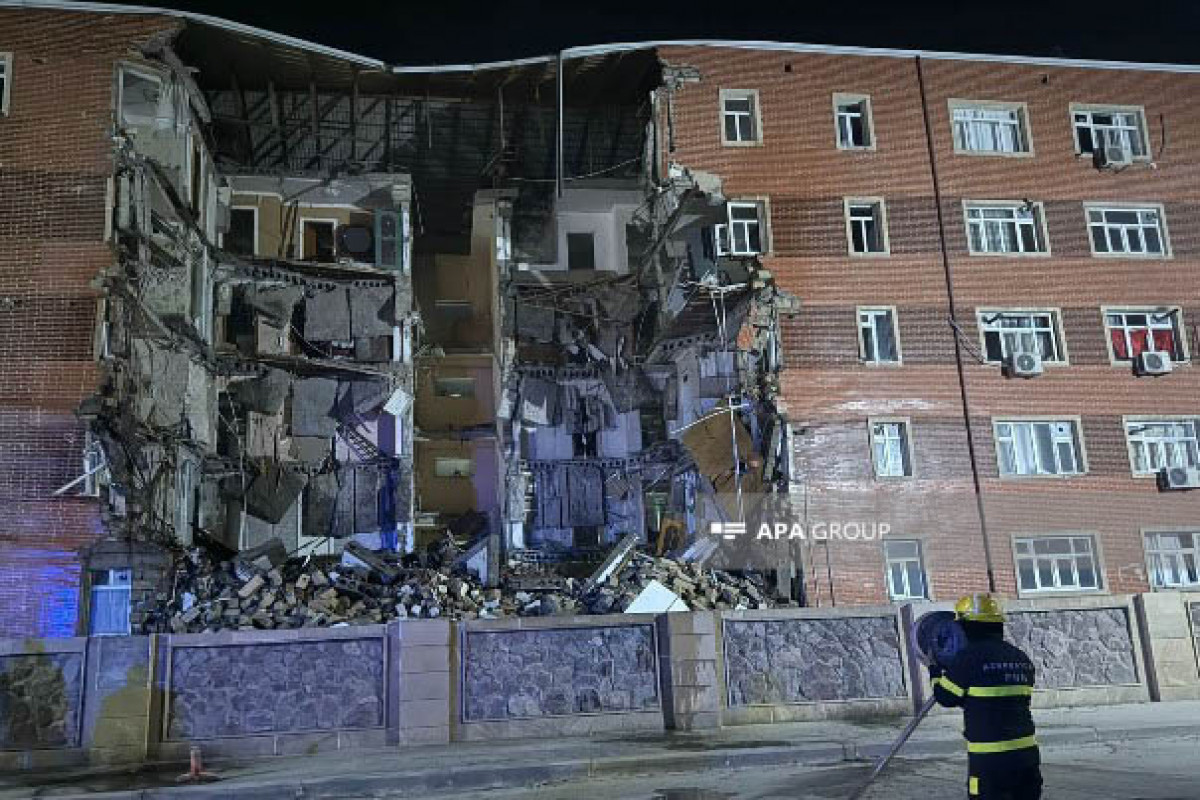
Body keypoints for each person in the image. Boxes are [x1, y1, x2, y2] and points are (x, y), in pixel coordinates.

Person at [930, 593, 1042, 799]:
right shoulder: (1020, 657)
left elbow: (945, 697)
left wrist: (935, 673)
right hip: (1026, 756)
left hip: (990, 762)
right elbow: (997, 699)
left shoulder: (969, 658)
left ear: (965, 627)